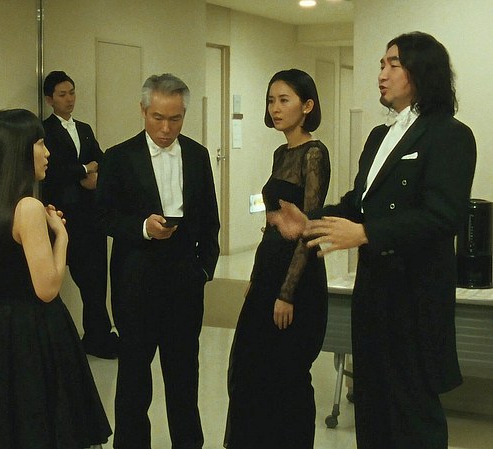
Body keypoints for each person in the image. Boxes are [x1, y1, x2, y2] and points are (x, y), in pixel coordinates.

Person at [270, 32, 476, 449]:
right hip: (374, 296)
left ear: (422, 71)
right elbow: (357, 203)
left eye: (393, 64)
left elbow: (443, 216)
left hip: (414, 301)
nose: (382, 74)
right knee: (372, 409)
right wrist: (310, 222)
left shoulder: (450, 134)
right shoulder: (380, 136)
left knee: (412, 417)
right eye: (381, 64)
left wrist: (367, 234)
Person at [0, 109, 111, 448]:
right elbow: (47, 288)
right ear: (20, 151)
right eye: (40, 143)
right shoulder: (28, 206)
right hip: (33, 331)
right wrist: (62, 236)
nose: (47, 152)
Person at [96, 73, 219, 449]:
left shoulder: (197, 155)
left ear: (184, 114)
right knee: (134, 378)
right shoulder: (119, 157)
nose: (166, 129)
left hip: (185, 280)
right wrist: (142, 227)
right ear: (143, 111)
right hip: (135, 280)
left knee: (184, 376)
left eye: (175, 119)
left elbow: (209, 219)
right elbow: (102, 216)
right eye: (158, 118)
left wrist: (203, 269)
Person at [224, 69, 330, 449]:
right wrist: (257, 276)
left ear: (307, 105)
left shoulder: (314, 154)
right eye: (271, 100)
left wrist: (287, 293)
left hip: (297, 277)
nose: (275, 108)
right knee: (252, 368)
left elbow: (308, 229)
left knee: (287, 374)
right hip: (269, 269)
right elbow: (274, 222)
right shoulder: (280, 153)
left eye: (284, 100)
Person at [41, 70, 118, 358]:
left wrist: (94, 175)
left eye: (72, 92)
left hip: (90, 213)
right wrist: (85, 169)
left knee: (96, 280)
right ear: (50, 100)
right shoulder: (44, 130)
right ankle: (59, 343)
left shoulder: (83, 128)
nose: (69, 99)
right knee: (63, 279)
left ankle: (98, 335)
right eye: (62, 94)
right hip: (62, 215)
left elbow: (101, 158)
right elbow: (53, 171)